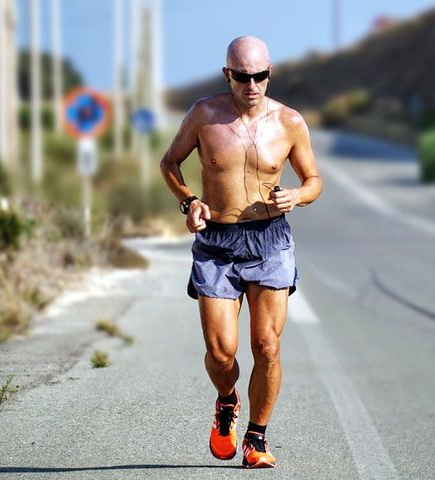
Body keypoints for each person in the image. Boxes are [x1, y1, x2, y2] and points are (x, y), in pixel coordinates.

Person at [159, 35, 322, 469]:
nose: (253, 85)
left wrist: (299, 196)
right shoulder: (204, 115)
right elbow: (169, 163)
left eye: (261, 76)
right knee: (221, 353)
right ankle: (227, 400)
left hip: (270, 239)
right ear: (227, 74)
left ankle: (256, 437)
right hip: (217, 242)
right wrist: (189, 201)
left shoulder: (289, 122)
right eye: (243, 77)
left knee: (267, 345)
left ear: (271, 73)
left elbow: (313, 180)